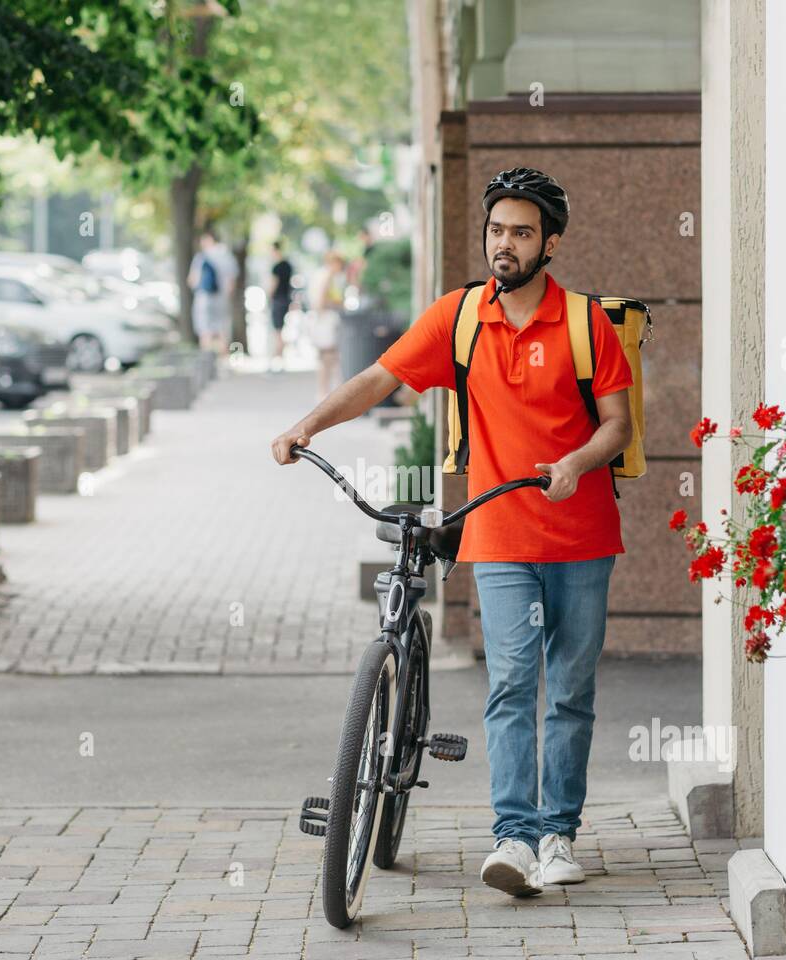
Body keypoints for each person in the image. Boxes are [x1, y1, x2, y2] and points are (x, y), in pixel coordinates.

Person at [270, 168, 633, 899]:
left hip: (583, 536)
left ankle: (559, 833)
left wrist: (574, 462)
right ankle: (513, 838)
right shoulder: (461, 318)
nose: (506, 243)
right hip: (497, 533)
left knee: (568, 690)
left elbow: (618, 425)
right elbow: (379, 377)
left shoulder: (587, 324)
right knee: (511, 685)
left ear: (550, 243)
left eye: (522, 232)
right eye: (497, 229)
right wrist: (308, 423)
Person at [188, 229, 238, 363]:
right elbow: (231, 282)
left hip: (204, 299)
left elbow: (192, 280)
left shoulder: (201, 257)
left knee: (205, 331)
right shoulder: (226, 256)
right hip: (221, 299)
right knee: (222, 330)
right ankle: (224, 363)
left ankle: (207, 365)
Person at [306, 250, 347, 401]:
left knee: (326, 357)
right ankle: (327, 392)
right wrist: (339, 304)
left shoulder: (320, 274)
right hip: (325, 321)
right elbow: (320, 302)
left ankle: (325, 391)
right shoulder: (327, 276)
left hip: (320, 321)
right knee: (329, 356)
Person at [267, 241, 294, 371]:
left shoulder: (276, 267)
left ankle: (277, 361)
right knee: (280, 330)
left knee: (277, 331)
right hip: (286, 299)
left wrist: (268, 297)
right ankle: (280, 360)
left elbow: (273, 284)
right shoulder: (288, 265)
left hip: (277, 300)